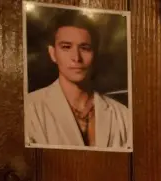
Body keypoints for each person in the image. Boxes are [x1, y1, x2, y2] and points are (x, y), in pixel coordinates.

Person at [25, 9, 132, 150]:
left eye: (85, 48)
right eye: (66, 47)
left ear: (95, 53)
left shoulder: (122, 115)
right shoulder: (30, 108)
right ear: (53, 53)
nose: (76, 57)